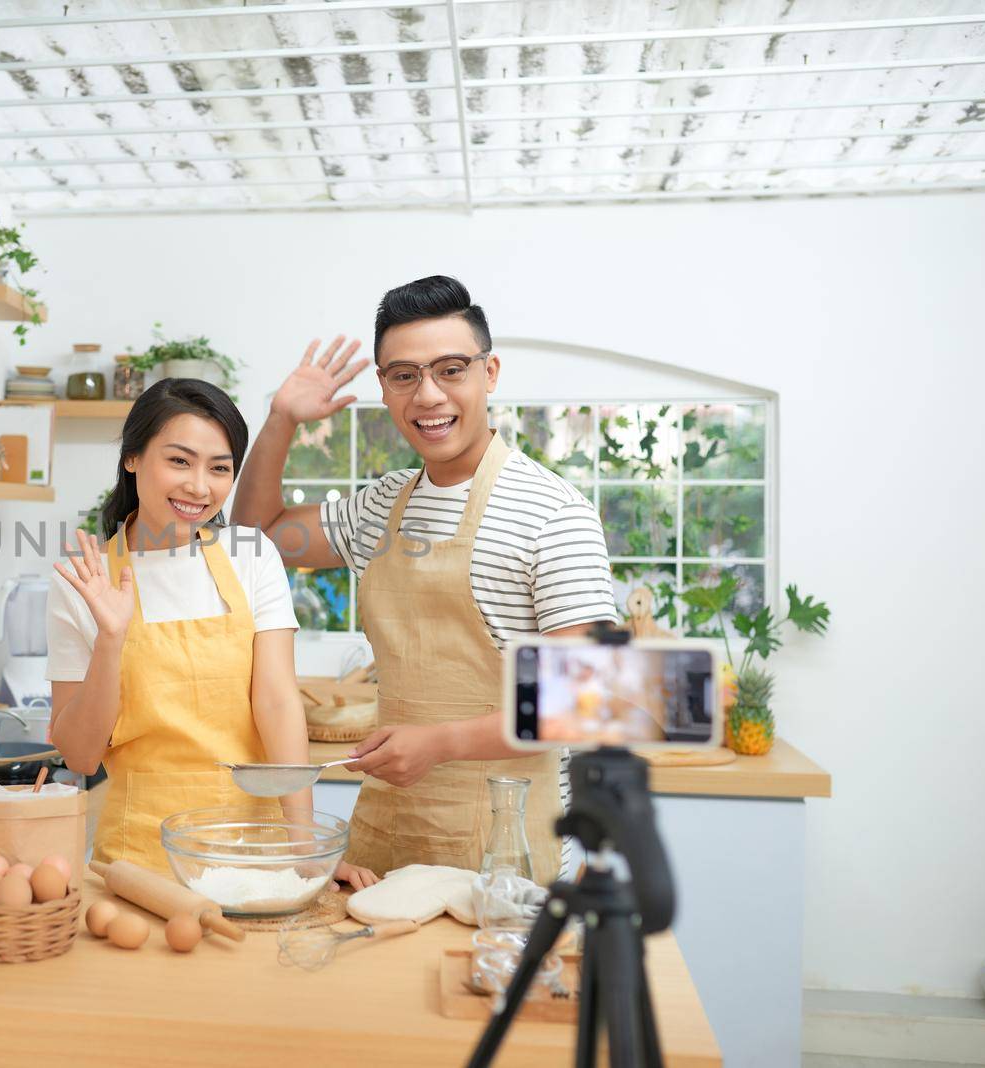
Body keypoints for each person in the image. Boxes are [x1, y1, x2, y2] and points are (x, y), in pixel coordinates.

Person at [232, 276, 619, 882]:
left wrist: (439, 744)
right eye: (405, 375)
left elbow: (582, 706)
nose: (429, 395)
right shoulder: (380, 507)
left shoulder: (553, 513)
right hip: (389, 830)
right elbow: (256, 537)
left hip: (507, 846)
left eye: (451, 369)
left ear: (489, 374)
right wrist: (281, 419)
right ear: (384, 387)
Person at [47, 377, 377, 888]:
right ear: (132, 458)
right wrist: (111, 639)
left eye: (219, 469)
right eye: (179, 461)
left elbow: (277, 703)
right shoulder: (82, 580)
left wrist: (305, 844)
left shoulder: (252, 555)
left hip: (256, 855)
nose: (200, 487)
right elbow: (80, 755)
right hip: (141, 866)